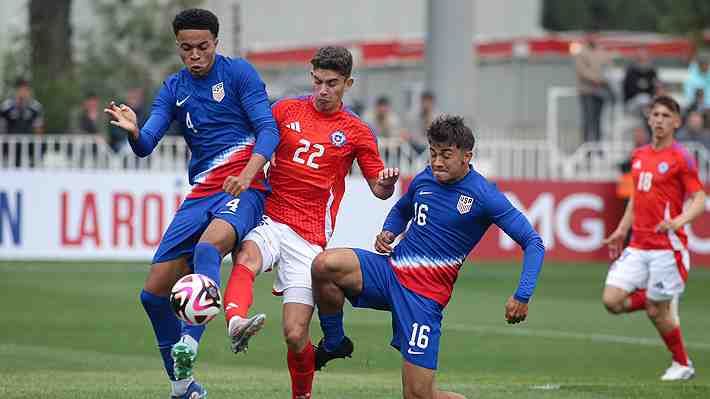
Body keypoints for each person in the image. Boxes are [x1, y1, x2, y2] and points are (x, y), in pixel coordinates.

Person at [103, 9, 279, 399]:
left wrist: (249, 174)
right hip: (200, 193)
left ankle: (190, 341)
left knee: (207, 247)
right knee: (152, 295)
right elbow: (147, 143)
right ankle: (183, 387)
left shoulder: (239, 75)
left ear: (216, 43)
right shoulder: (173, 87)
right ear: (178, 48)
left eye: (202, 47)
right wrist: (134, 131)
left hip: (242, 189)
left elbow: (268, 130)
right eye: (187, 48)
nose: (195, 54)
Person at [311, 115, 545, 399]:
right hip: (390, 272)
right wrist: (389, 231)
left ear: (466, 156)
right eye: (433, 153)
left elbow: (533, 242)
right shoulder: (425, 178)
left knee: (419, 395)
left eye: (446, 155)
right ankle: (335, 342)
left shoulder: (484, 195)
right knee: (325, 265)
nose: (437, 162)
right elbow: (402, 209)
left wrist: (522, 294)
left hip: (424, 298)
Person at [221, 46, 399, 399]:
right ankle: (236, 320)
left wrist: (387, 183)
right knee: (247, 257)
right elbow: (256, 143)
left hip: (309, 238)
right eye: (317, 81)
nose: (322, 90)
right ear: (311, 75)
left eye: (332, 83)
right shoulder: (285, 110)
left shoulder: (357, 131)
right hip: (272, 218)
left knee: (295, 333)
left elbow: (378, 188)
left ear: (348, 83)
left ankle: (301, 395)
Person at [602, 95, 706, 381]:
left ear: (677, 122)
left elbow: (700, 198)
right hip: (638, 244)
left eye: (665, 116)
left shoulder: (681, 157)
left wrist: (678, 221)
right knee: (611, 300)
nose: (659, 120)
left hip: (667, 248)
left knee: (656, 313)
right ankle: (658, 300)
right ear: (649, 119)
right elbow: (638, 197)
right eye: (655, 115)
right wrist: (623, 229)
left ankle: (683, 364)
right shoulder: (640, 155)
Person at [575, 36, 613, 142]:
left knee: (598, 121)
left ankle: (598, 147)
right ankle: (586, 147)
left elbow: (609, 68)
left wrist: (604, 80)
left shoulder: (603, 53)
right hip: (587, 91)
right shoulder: (581, 53)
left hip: (600, 91)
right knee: (588, 120)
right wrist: (596, 79)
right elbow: (582, 71)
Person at [0, 78, 44, 167]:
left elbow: (38, 128)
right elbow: (2, 127)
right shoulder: (6, 106)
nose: (23, 92)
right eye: (21, 89)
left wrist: (38, 143)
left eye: (26, 90)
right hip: (11, 144)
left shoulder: (35, 107)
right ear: (16, 90)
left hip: (28, 142)